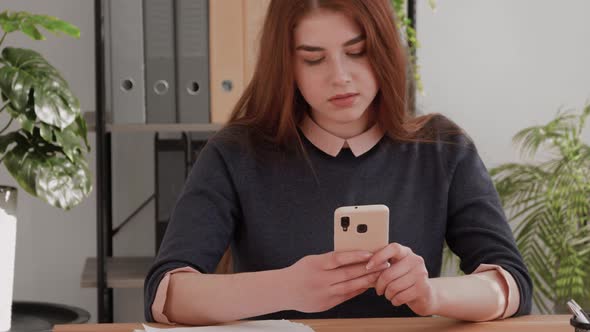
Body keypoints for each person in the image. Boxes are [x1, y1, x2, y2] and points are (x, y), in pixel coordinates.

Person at [144, 0, 532, 325]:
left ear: (383, 49)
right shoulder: (236, 153)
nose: (340, 77)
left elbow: (510, 284)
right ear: (287, 67)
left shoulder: (441, 148)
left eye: (357, 51)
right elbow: (166, 293)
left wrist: (431, 293)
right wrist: (288, 287)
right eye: (313, 59)